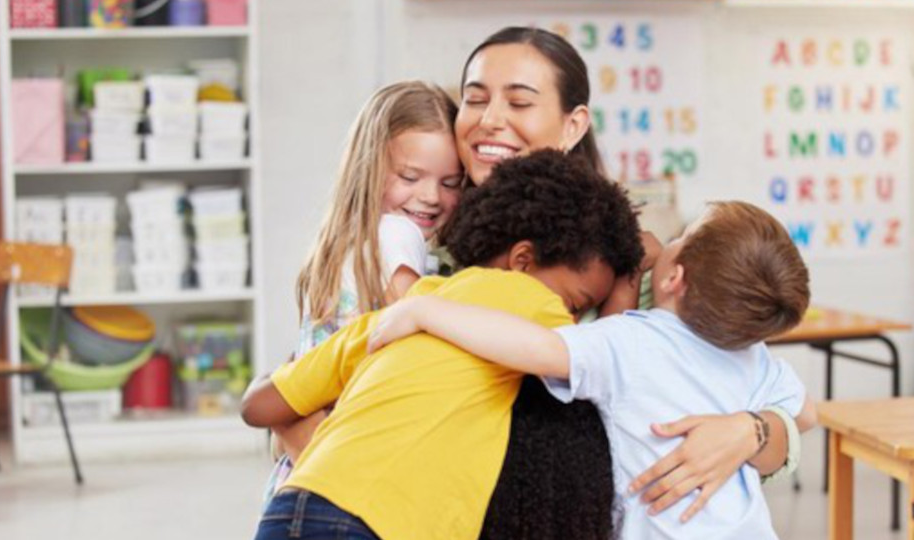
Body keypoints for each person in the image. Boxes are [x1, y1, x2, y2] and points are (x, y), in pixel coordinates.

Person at [451, 27, 806, 535]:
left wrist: (747, 432)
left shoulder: (630, 261)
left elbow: (783, 416)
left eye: (520, 102)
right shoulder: (425, 242)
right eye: (474, 99)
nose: (490, 119)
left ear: (574, 125)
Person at [242, 150, 646, 540]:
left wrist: (288, 370)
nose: (570, 320)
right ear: (522, 260)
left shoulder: (398, 315)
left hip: (291, 508)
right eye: (574, 305)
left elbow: (258, 406)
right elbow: (595, 362)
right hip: (376, 526)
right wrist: (630, 281)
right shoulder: (532, 302)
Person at [370, 201, 817, 538]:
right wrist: (749, 425)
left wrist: (427, 311)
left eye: (681, 236)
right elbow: (807, 414)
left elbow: (538, 347)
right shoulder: (753, 354)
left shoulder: (633, 341)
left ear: (673, 279)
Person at [265, 81, 464, 496]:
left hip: (302, 475)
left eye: (451, 183)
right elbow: (422, 332)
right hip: (348, 469)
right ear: (369, 167)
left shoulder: (343, 244)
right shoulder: (396, 233)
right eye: (410, 176)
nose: (431, 196)